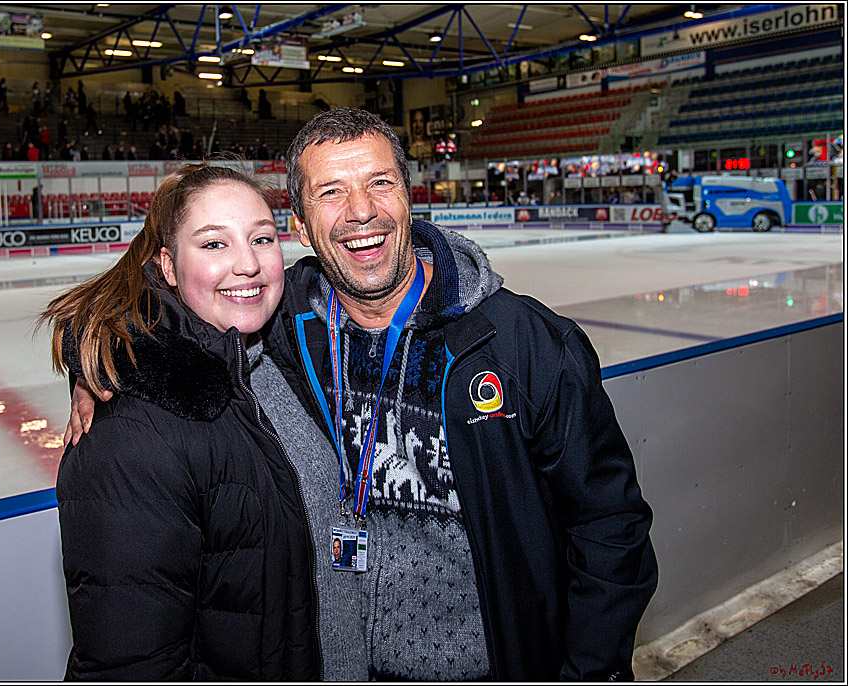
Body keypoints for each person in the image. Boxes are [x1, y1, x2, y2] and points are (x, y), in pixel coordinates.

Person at [68, 108, 658, 681]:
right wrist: (94, 359)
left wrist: (590, 672)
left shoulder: (522, 343)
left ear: (408, 197)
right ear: (301, 224)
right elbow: (160, 315)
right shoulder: (281, 321)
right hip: (340, 667)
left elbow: (611, 525)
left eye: (379, 183)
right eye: (330, 193)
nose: (360, 212)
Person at [41, 163, 323, 679]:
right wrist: (98, 354)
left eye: (262, 238)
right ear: (168, 266)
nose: (248, 264)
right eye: (214, 244)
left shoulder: (283, 348)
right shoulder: (132, 431)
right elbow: (131, 663)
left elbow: (376, 268)